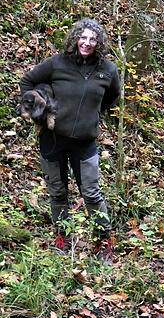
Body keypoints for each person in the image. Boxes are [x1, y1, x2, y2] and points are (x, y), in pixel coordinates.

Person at [19, 18, 121, 261]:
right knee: (57, 192)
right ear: (75, 39)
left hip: (85, 143)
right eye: (83, 38)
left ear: (99, 43)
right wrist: (36, 107)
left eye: (92, 39)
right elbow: (27, 81)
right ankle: (62, 238)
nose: (87, 43)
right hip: (53, 139)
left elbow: (113, 95)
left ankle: (103, 241)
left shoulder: (108, 69)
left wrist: (93, 114)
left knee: (92, 193)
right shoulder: (57, 63)